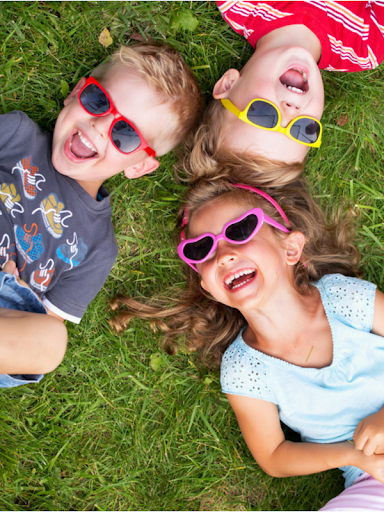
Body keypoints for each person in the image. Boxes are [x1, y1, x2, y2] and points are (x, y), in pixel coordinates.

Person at [110, 172, 384, 509]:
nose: (222, 255)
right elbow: (273, 455)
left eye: (240, 231)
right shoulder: (244, 368)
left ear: (291, 247)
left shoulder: (343, 297)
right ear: (207, 286)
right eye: (202, 249)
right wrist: (352, 455)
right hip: (373, 478)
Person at [0, 41, 203, 388]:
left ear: (140, 166)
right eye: (98, 101)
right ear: (77, 92)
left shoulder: (99, 247)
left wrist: (20, 296)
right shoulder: (19, 135)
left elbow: (46, 322)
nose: (99, 125)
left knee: (52, 342)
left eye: (125, 135)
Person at [184, 1, 384, 183]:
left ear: (229, 85)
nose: (291, 109)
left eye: (263, 114)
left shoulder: (239, 5)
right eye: (304, 130)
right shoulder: (366, 46)